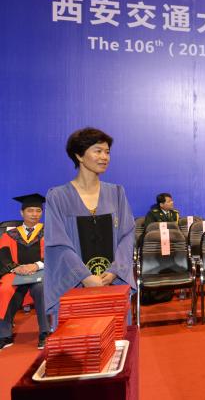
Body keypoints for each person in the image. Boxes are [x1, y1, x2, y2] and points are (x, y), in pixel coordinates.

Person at [44, 127, 136, 327]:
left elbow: (127, 234)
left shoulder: (116, 193)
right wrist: (84, 276)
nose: (105, 157)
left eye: (107, 152)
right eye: (98, 151)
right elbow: (58, 243)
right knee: (80, 340)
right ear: (79, 155)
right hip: (76, 287)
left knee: (116, 338)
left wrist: (115, 270)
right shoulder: (58, 197)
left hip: (113, 284)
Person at [0, 194, 50, 349]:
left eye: (38, 211)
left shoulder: (49, 232)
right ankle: (4, 334)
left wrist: (36, 266)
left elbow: (55, 254)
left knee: (41, 288)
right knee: (4, 289)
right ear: (22, 213)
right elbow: (3, 256)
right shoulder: (10, 234)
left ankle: (45, 332)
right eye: (30, 210)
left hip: (41, 272)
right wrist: (16, 268)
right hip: (16, 273)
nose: (34, 214)